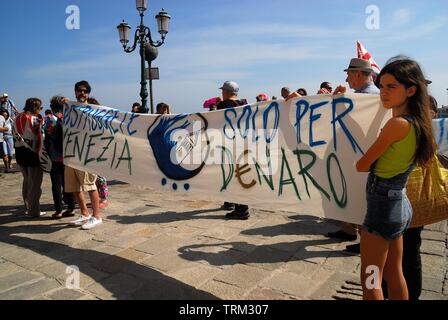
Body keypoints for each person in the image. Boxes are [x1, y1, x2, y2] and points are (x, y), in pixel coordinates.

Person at [356, 57, 436, 300]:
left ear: (410, 90)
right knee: (393, 272)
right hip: (399, 203)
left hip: (383, 206)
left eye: (391, 87)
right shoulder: (419, 123)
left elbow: (362, 165)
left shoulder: (396, 125)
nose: (383, 92)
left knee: (370, 280)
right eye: (382, 86)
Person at [326, 58, 380, 250]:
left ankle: (365, 240)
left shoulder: (371, 97)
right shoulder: (361, 96)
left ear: (358, 74)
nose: (346, 79)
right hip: (356, 157)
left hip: (363, 159)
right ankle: (349, 229)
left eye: (349, 74)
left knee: (362, 198)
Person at [65, 81, 102, 230]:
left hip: (86, 153)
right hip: (71, 153)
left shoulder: (92, 110)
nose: (82, 93)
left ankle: (97, 216)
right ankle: (84, 213)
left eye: (85, 91)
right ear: (75, 92)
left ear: (88, 93)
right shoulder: (69, 108)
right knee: (75, 186)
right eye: (79, 90)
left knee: (90, 185)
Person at [217, 81, 250, 220]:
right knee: (240, 176)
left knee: (231, 176)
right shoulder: (244, 104)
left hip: (229, 145)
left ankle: (241, 209)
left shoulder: (223, 105)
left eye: (223, 90)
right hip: (243, 144)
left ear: (226, 91)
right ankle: (238, 205)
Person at [44, 95, 76, 219]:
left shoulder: (50, 119)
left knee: (56, 184)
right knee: (68, 182)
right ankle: (71, 207)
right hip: (68, 155)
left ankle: (58, 211)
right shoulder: (69, 118)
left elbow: (47, 135)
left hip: (55, 156)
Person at [14, 98, 46, 217]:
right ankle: (34, 211)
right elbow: (41, 136)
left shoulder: (16, 117)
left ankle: (27, 206)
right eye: (40, 108)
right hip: (32, 153)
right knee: (35, 183)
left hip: (19, 152)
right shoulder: (36, 119)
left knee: (26, 180)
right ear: (35, 107)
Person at [87, 97, 110, 210]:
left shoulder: (100, 119)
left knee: (100, 176)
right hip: (90, 150)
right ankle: (99, 197)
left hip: (99, 150)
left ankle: (104, 198)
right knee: (93, 176)